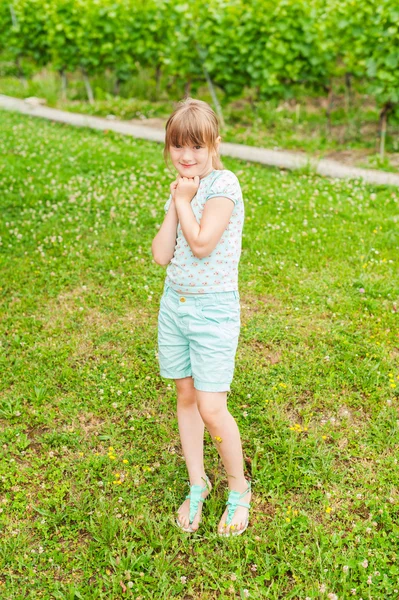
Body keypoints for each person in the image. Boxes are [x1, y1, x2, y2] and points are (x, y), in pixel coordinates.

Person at [151, 97, 251, 537]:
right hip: (175, 305)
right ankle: (198, 482)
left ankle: (238, 488)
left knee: (213, 406)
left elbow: (203, 244)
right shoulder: (182, 188)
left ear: (215, 144)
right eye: (177, 147)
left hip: (213, 311)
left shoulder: (224, 185)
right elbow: (160, 254)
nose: (186, 156)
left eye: (196, 146)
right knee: (186, 397)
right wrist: (177, 202)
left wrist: (188, 200)